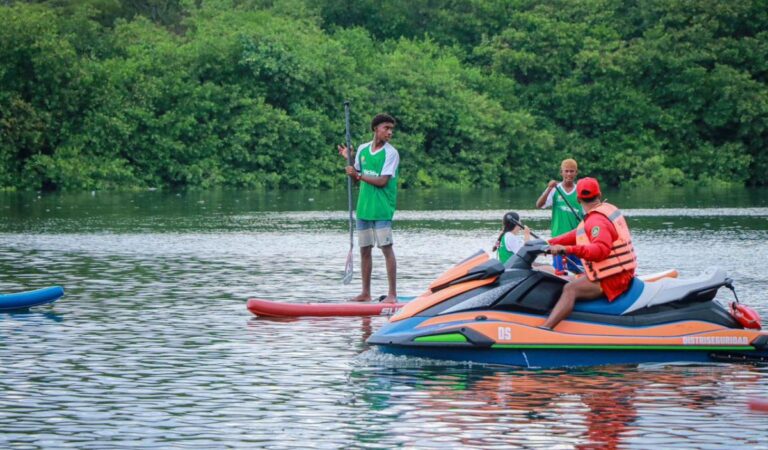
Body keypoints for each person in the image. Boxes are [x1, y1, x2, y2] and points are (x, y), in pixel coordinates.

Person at [540, 177, 637, 330]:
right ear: (599, 194)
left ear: (578, 199)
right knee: (565, 277)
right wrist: (549, 243)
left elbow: (600, 251)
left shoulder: (596, 220)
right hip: (619, 272)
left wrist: (566, 249)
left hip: (613, 279)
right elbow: (577, 233)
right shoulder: (605, 210)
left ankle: (545, 329)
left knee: (570, 289)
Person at [337, 113, 400, 303]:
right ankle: (365, 293)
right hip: (364, 208)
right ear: (376, 129)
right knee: (364, 250)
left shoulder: (391, 153)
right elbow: (357, 170)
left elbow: (381, 181)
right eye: (386, 128)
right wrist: (349, 159)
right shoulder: (364, 149)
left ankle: (392, 295)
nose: (389, 132)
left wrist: (357, 175)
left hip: (382, 208)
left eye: (391, 129)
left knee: (386, 249)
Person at [535, 158, 584, 274]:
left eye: (572, 171)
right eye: (566, 171)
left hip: (576, 238)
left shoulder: (580, 191)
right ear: (561, 172)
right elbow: (539, 205)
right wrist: (549, 188)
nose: (569, 174)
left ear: (576, 173)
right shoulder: (555, 189)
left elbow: (588, 215)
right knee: (559, 271)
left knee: (579, 270)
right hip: (558, 238)